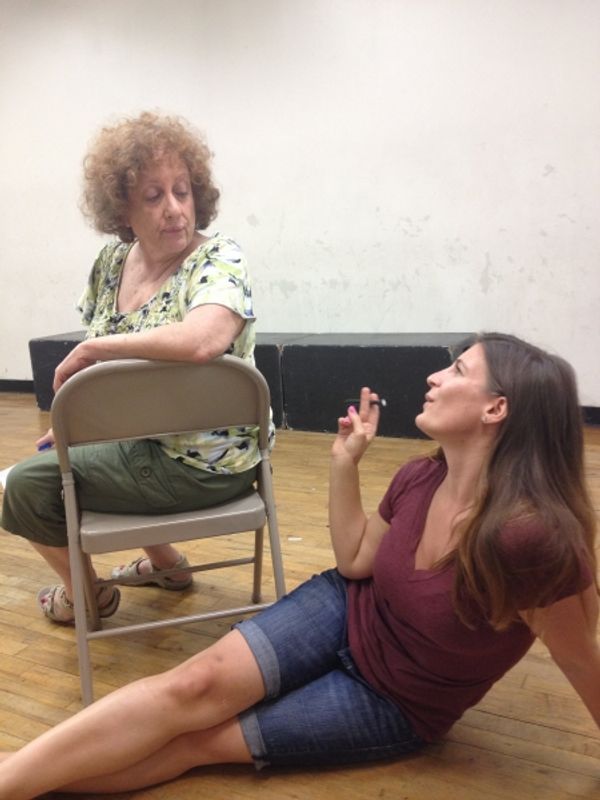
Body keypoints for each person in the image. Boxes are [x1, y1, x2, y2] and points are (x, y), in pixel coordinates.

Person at [0, 332, 597, 799]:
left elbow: (578, 658)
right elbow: (357, 563)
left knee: (196, 744)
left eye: (459, 370)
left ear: (497, 409)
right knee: (189, 688)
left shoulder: (531, 543)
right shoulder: (421, 476)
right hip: (345, 607)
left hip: (395, 700)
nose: (436, 376)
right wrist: (345, 465)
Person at [1, 111, 266, 623]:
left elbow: (205, 338)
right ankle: (168, 564)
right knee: (68, 459)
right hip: (141, 444)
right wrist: (83, 428)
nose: (174, 209)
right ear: (122, 207)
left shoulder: (220, 260)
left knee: (25, 485)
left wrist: (97, 350)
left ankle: (86, 596)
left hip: (205, 466)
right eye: (153, 196)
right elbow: (115, 386)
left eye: (182, 192)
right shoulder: (110, 264)